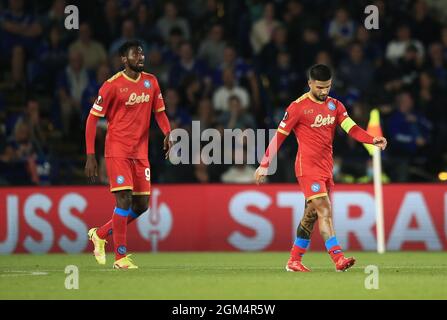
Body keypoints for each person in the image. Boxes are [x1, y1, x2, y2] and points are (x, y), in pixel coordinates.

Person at [254, 64, 387, 272]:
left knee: (311, 215)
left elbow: (351, 128)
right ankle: (338, 259)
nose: (324, 92)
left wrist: (372, 140)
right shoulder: (297, 107)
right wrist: (264, 164)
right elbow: (279, 137)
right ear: (310, 84)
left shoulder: (336, 106)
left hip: (326, 168)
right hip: (307, 167)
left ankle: (294, 260)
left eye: (328, 87)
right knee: (324, 209)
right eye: (319, 87)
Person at [84, 40, 172, 269]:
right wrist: (91, 155)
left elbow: (160, 113)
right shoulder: (112, 85)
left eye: (142, 53)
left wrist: (168, 132)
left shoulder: (151, 82)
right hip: (117, 150)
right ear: (124, 59)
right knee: (123, 198)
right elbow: (92, 119)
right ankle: (120, 257)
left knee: (141, 205)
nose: (141, 57)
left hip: (140, 153)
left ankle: (100, 234)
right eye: (136, 54)